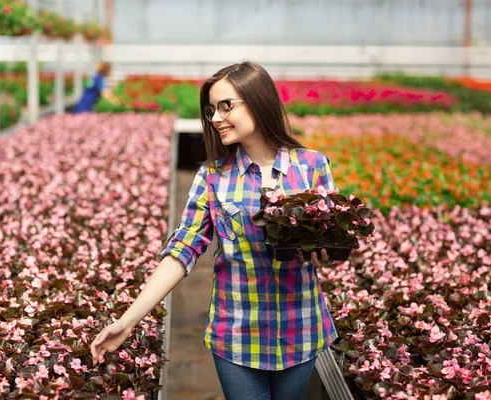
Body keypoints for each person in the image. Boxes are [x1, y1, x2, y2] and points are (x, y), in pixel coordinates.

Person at [90, 61, 337, 400]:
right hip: (236, 333)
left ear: (259, 100)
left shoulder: (312, 166)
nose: (216, 118)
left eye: (226, 106)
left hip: (302, 326)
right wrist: (128, 320)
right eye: (211, 110)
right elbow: (182, 250)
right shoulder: (212, 177)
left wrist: (324, 249)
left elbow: (330, 238)